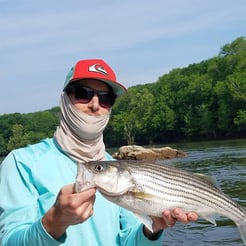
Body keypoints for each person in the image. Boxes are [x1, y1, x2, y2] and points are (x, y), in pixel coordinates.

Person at [0, 59, 198, 246]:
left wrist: (151, 230)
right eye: (83, 93)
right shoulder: (21, 163)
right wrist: (53, 222)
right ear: (65, 99)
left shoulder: (118, 170)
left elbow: (128, 241)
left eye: (106, 98)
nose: (95, 104)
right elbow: (9, 240)